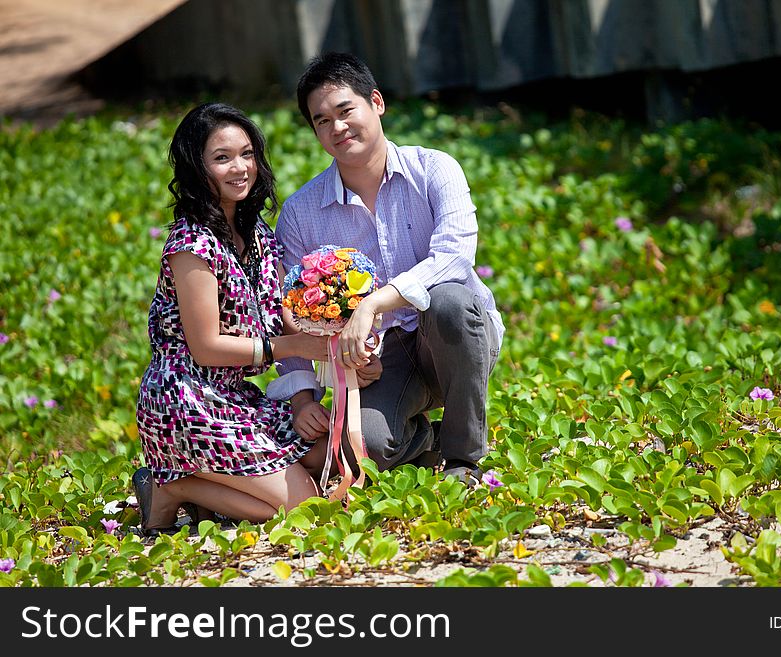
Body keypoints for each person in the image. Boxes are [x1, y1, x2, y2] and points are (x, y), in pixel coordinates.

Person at [134, 102, 375, 533]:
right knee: (306, 507)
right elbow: (207, 348)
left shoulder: (257, 232)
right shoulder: (191, 244)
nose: (240, 167)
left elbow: (284, 311)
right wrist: (295, 346)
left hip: (236, 397)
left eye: (246, 154)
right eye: (222, 158)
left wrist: (339, 332)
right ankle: (174, 487)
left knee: (336, 453)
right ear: (197, 168)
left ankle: (208, 485)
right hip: (186, 401)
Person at [270, 52, 504, 486]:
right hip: (379, 360)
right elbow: (290, 311)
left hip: (453, 340)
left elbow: (454, 256)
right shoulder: (302, 213)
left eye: (345, 111)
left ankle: (463, 459)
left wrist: (373, 303)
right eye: (321, 121)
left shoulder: (434, 168)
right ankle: (428, 441)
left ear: (376, 102)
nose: (337, 127)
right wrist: (305, 397)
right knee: (366, 448)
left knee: (449, 301)